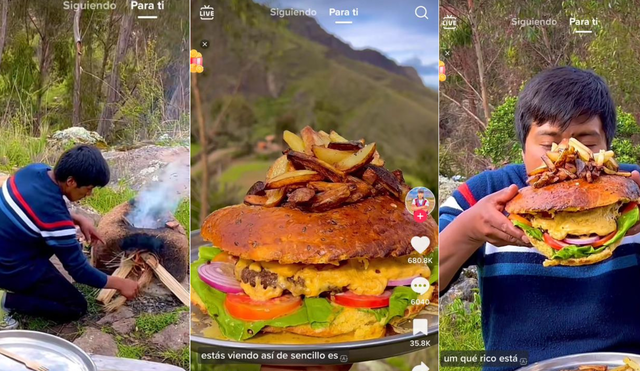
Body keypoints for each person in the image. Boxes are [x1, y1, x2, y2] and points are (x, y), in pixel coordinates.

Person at [439, 67, 640, 369]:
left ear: (607, 144)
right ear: (523, 144)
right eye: (549, 145)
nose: (569, 159)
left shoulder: (629, 188)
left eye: (587, 142)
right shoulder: (486, 194)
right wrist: (469, 230)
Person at [0, 145, 140, 329]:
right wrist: (120, 284)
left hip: (8, 245)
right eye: (88, 188)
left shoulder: (34, 170)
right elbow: (79, 271)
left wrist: (76, 217)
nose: (89, 194)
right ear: (71, 181)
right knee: (74, 307)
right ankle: (6, 300)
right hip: (9, 268)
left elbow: (37, 207)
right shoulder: (56, 218)